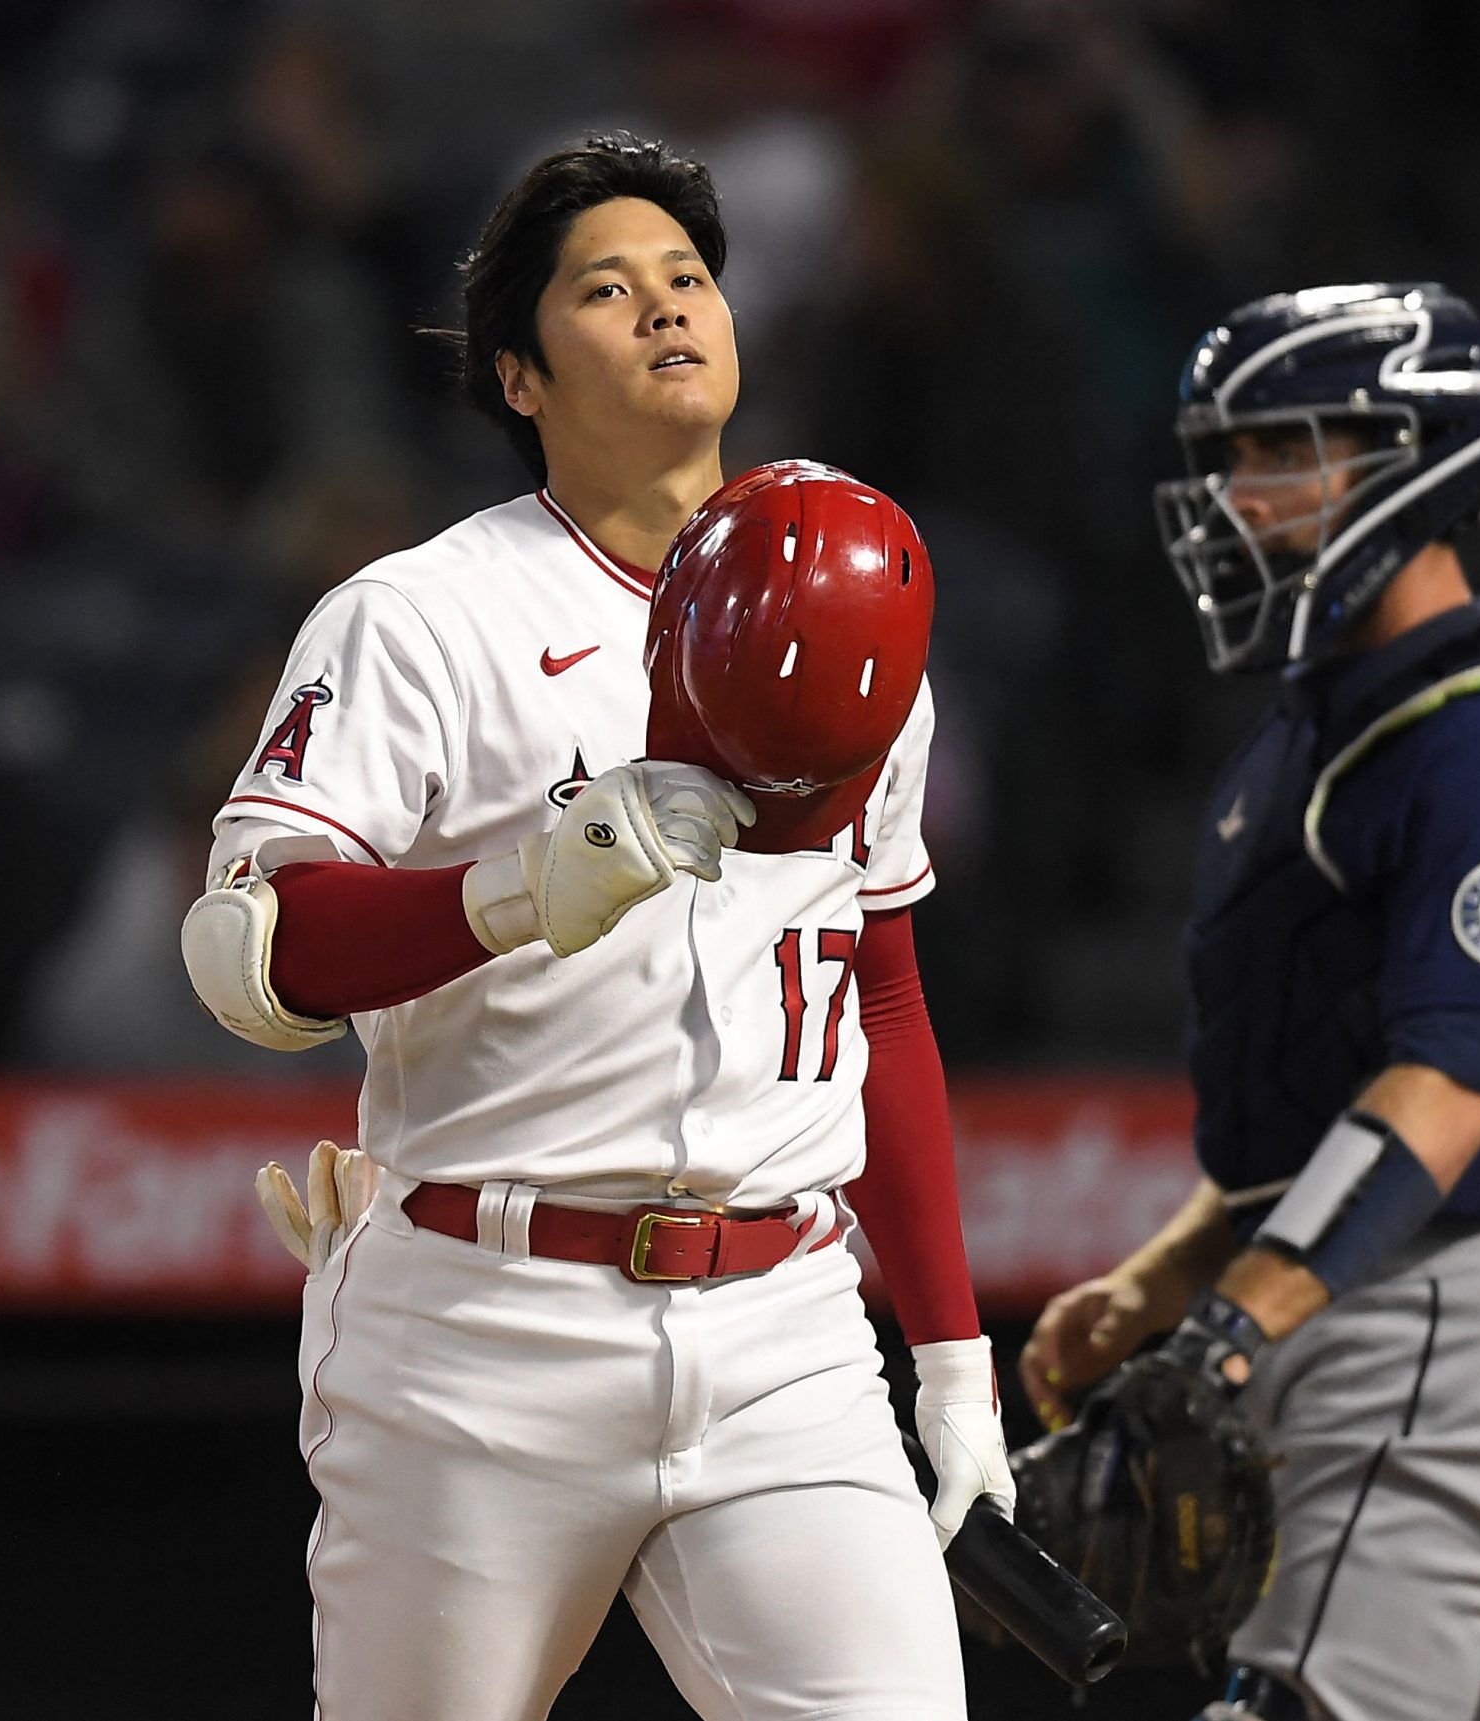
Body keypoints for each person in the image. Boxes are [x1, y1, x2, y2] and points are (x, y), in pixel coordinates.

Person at [178, 134, 1009, 1721]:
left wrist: (957, 1362)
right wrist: (513, 893)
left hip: (785, 1329)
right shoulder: (421, 615)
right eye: (608, 290)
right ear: (519, 375)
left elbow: (885, 1002)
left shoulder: (855, 592)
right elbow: (245, 952)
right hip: (484, 1325)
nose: (666, 310)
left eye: (690, 278)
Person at [1020, 284, 1480, 1721]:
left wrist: (1232, 1327)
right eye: (1233, 459)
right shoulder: (1329, 718)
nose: (1241, 497)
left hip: (1433, 1321)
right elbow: (1308, 1114)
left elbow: (1451, 1077)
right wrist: (1165, 1278)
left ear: (1415, 453)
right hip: (1460, 1325)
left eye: (1284, 452)